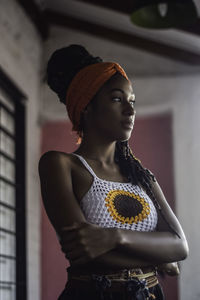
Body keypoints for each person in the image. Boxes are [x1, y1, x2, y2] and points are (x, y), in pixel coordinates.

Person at [38, 45, 188, 300]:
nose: (130, 111)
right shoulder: (60, 165)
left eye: (132, 102)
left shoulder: (142, 176)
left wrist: (115, 236)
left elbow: (179, 246)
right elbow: (85, 251)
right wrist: (157, 253)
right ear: (86, 106)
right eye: (117, 99)